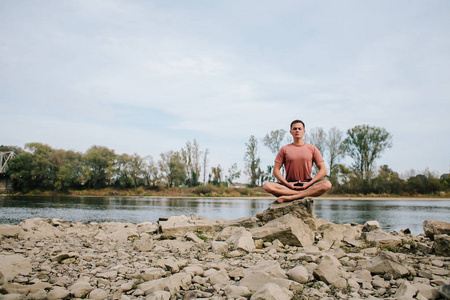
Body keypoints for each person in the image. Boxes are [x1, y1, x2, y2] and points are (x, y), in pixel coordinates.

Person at [263, 119, 332, 203]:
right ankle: (300, 194)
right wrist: (287, 183)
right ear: (291, 132)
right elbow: (275, 170)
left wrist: (309, 184)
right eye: (294, 129)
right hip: (289, 185)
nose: (297, 131)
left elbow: (323, 170)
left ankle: (291, 197)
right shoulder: (285, 149)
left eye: (299, 129)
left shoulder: (312, 148)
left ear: (304, 131)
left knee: (327, 184)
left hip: (307, 184)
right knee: (267, 186)